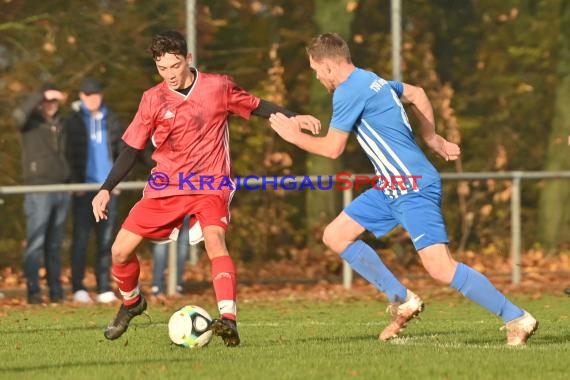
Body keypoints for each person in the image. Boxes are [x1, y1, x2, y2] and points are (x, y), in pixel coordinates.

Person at [269, 33, 538, 346]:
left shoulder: (347, 92)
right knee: (336, 235)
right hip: (391, 186)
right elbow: (417, 93)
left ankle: (516, 317)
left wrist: (291, 136)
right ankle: (403, 299)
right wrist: (432, 138)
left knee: (440, 267)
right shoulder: (373, 80)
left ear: (328, 66)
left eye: (316, 69)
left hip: (412, 185)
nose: (316, 76)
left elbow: (332, 149)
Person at [91, 30, 320, 346]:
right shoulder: (152, 99)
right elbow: (131, 149)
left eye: (175, 66)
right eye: (163, 68)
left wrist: (295, 117)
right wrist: (105, 188)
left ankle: (228, 320)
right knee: (119, 251)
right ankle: (132, 303)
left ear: (188, 59)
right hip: (167, 185)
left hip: (211, 184)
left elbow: (257, 106)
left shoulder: (217, 87)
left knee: (215, 241)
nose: (170, 74)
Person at [64, 78, 124, 304]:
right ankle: (78, 286)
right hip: (84, 190)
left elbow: (123, 152)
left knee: (106, 241)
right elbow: (67, 153)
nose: (93, 98)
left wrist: (116, 182)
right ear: (81, 96)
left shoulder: (113, 120)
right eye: (88, 95)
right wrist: (74, 183)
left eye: (96, 94)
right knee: (80, 240)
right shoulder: (73, 121)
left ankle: (103, 287)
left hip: (107, 190)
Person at [13, 84, 71, 304]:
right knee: (36, 243)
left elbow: (72, 154)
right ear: (40, 102)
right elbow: (17, 116)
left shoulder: (63, 123)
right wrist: (41, 94)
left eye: (54, 101)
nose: (51, 105)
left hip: (62, 189)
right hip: (38, 189)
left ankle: (56, 291)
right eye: (47, 101)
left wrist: (71, 181)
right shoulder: (30, 123)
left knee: (55, 244)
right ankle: (34, 292)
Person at [151, 214, 191, 299]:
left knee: (179, 245)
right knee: (164, 243)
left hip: (180, 206)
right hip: (168, 206)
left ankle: (166, 287)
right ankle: (159, 287)